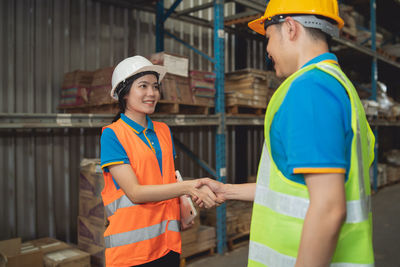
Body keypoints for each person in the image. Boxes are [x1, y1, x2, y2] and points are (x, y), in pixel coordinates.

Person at [197, 0, 375, 266]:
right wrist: (227, 190)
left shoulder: (310, 90)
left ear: (290, 29)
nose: (268, 51)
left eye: (268, 38)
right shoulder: (337, 85)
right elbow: (296, 187)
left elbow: (328, 208)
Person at [100, 55, 220, 267]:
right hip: (132, 253)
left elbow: (168, 178)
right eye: (143, 86)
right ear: (124, 93)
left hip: (167, 244)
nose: (152, 93)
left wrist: (184, 209)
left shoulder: (163, 131)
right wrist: (190, 187)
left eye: (155, 87)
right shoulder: (113, 135)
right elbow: (135, 193)